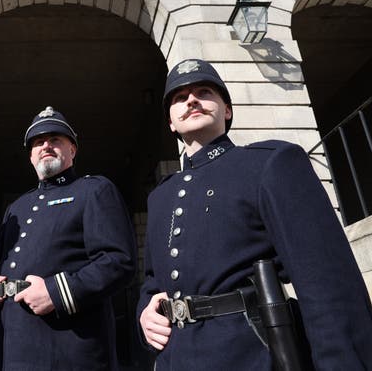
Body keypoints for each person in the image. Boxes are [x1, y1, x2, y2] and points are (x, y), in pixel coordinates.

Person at [137, 58, 372, 370]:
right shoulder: (160, 197)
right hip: (176, 359)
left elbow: (326, 285)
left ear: (228, 110)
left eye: (204, 92)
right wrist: (145, 311)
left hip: (250, 354)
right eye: (180, 98)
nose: (191, 100)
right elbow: (153, 281)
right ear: (171, 121)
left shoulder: (269, 165)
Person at [0, 106, 136, 370]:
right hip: (15, 348)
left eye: (55, 140)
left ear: (72, 150)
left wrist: (57, 292)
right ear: (30, 156)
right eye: (38, 142)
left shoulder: (93, 190)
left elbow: (119, 261)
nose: (46, 146)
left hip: (72, 349)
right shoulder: (16, 208)